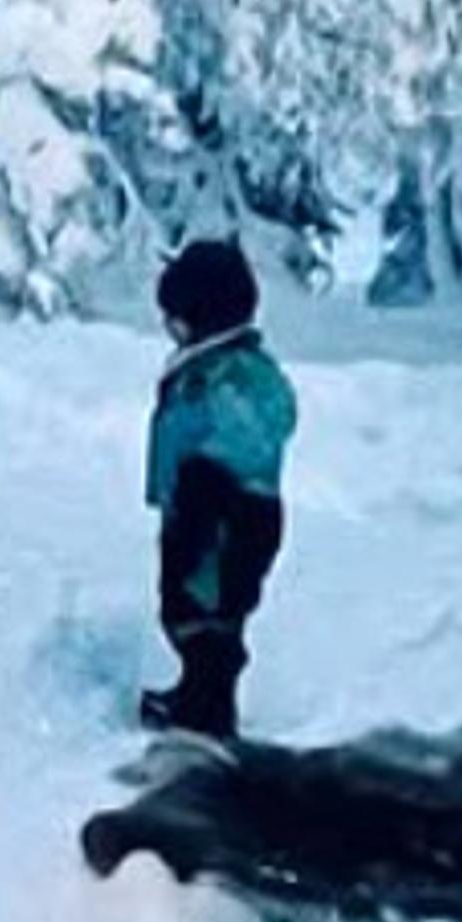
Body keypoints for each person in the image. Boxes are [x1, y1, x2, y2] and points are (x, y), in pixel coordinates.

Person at [141, 237, 294, 738]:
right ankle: (196, 693)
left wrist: (208, 487)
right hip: (200, 509)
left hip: (224, 515)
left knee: (207, 611)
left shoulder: (231, 376)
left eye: (175, 317)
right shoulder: (208, 368)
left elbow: (247, 437)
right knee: (185, 605)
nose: (169, 328)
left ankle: (207, 715)